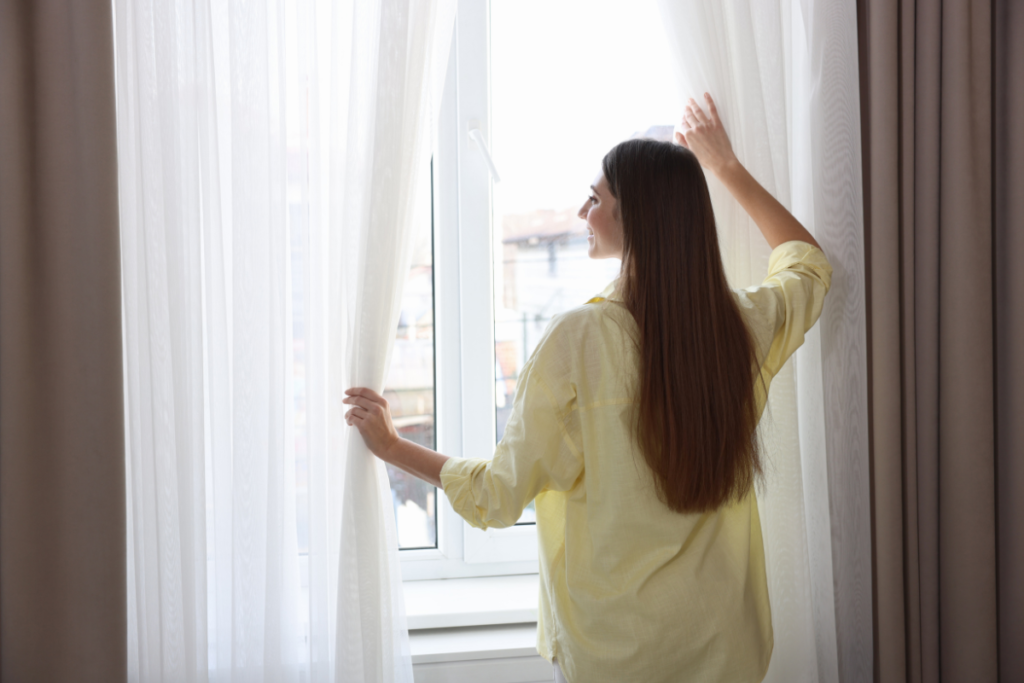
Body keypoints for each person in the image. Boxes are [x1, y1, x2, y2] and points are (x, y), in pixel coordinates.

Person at [343, 93, 832, 683]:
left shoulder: (577, 341)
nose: (581, 211)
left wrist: (394, 448)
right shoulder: (739, 329)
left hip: (616, 658)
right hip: (728, 646)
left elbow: (499, 496)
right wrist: (725, 167)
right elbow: (807, 266)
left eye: (596, 198)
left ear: (638, 220)